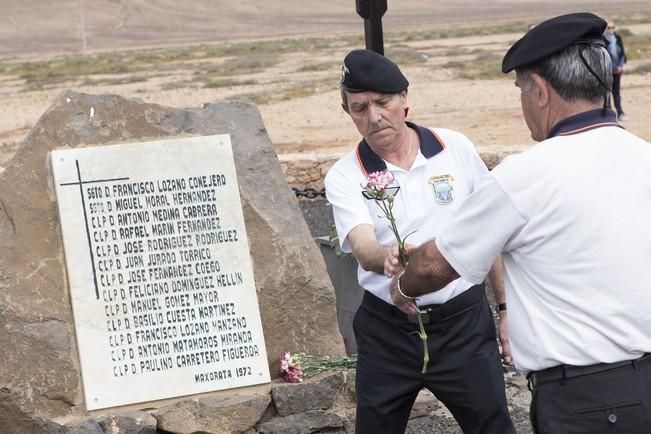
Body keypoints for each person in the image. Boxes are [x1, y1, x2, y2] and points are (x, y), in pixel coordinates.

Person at [394, 12, 651, 434]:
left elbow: (437, 265)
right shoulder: (644, 156)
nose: (523, 103)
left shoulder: (524, 175)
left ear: (542, 92)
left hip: (586, 402)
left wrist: (402, 287)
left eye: (521, 89)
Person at [325, 49, 516, 434]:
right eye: (359, 108)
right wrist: (388, 259)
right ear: (347, 112)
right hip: (388, 332)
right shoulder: (345, 175)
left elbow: (488, 234)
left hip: (463, 324)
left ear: (405, 98)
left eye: (383, 102)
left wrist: (506, 308)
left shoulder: (454, 148)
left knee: (492, 425)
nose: (374, 117)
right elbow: (362, 246)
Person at [604, 21, 627, 120]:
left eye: (612, 27)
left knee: (616, 92)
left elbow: (622, 53)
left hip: (617, 70)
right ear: (605, 28)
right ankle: (608, 114)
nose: (611, 29)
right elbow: (604, 55)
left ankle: (620, 112)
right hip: (607, 70)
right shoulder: (602, 39)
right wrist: (611, 67)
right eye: (609, 27)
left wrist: (622, 66)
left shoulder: (617, 38)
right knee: (606, 92)